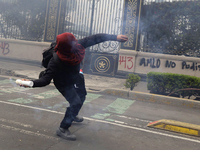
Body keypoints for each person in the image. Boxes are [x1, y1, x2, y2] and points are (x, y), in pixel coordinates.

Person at [19, 33, 128, 141]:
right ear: (67, 47)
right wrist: (30, 83)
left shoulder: (78, 45)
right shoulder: (55, 60)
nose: (76, 43)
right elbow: (45, 80)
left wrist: (115, 38)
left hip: (75, 77)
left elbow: (96, 38)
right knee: (76, 102)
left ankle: (72, 114)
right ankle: (63, 128)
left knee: (82, 96)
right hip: (63, 82)